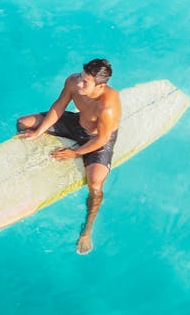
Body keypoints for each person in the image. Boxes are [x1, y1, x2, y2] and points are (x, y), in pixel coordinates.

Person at [17, 59, 121, 255]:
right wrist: (39, 131)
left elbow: (102, 139)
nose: (79, 82)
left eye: (85, 82)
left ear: (101, 85)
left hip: (97, 139)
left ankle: (87, 229)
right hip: (76, 124)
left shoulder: (108, 106)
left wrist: (75, 153)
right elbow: (59, 106)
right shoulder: (73, 82)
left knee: (96, 185)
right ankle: (28, 159)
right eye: (81, 77)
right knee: (24, 123)